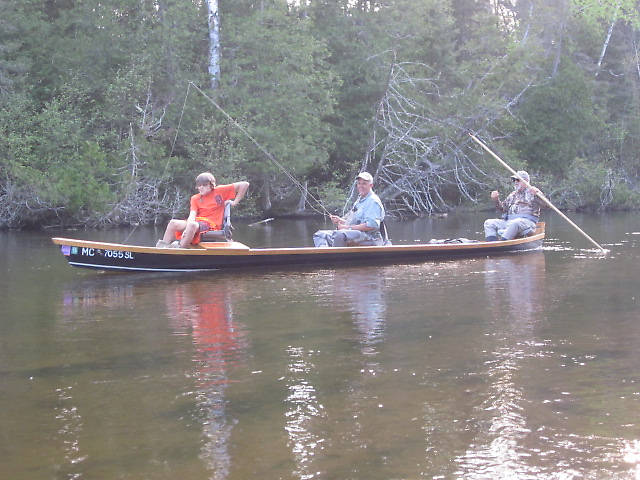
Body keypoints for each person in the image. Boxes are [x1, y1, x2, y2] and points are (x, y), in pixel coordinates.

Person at [157, 172, 249, 248]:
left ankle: (180, 249)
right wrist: (187, 227)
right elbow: (192, 215)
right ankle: (162, 250)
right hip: (197, 222)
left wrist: (234, 202)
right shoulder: (195, 198)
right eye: (199, 185)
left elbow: (244, 184)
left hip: (212, 224)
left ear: (211, 185)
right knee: (173, 223)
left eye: (204, 185)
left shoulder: (220, 191)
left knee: (192, 225)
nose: (200, 188)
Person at [313, 172, 385, 247]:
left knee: (340, 235)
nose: (361, 186)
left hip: (370, 238)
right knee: (319, 235)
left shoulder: (373, 201)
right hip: (356, 234)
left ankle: (337, 257)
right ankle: (325, 256)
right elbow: (355, 222)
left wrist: (347, 228)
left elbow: (372, 225)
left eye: (364, 183)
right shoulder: (359, 201)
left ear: (371, 185)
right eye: (359, 183)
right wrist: (340, 220)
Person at [484, 170, 544, 241]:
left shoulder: (533, 192)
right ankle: (492, 244)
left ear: (526, 181)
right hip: (509, 222)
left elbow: (545, 205)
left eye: (518, 180)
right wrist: (496, 200)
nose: (515, 182)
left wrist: (538, 195)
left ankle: (503, 243)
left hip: (527, 223)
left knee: (516, 223)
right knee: (489, 223)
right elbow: (503, 209)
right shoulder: (512, 195)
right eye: (514, 180)